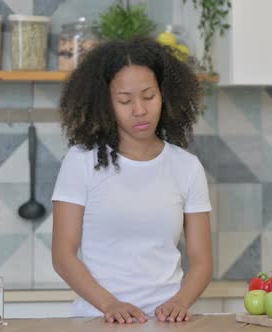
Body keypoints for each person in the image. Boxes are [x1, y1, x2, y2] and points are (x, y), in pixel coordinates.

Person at [51, 38, 213, 324]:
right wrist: (110, 305)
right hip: (98, 320)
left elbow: (202, 261)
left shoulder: (187, 167)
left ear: (164, 94)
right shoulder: (80, 162)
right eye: (125, 100)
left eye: (149, 96)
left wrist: (180, 302)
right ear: (106, 104)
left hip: (167, 323)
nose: (139, 109)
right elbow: (63, 255)